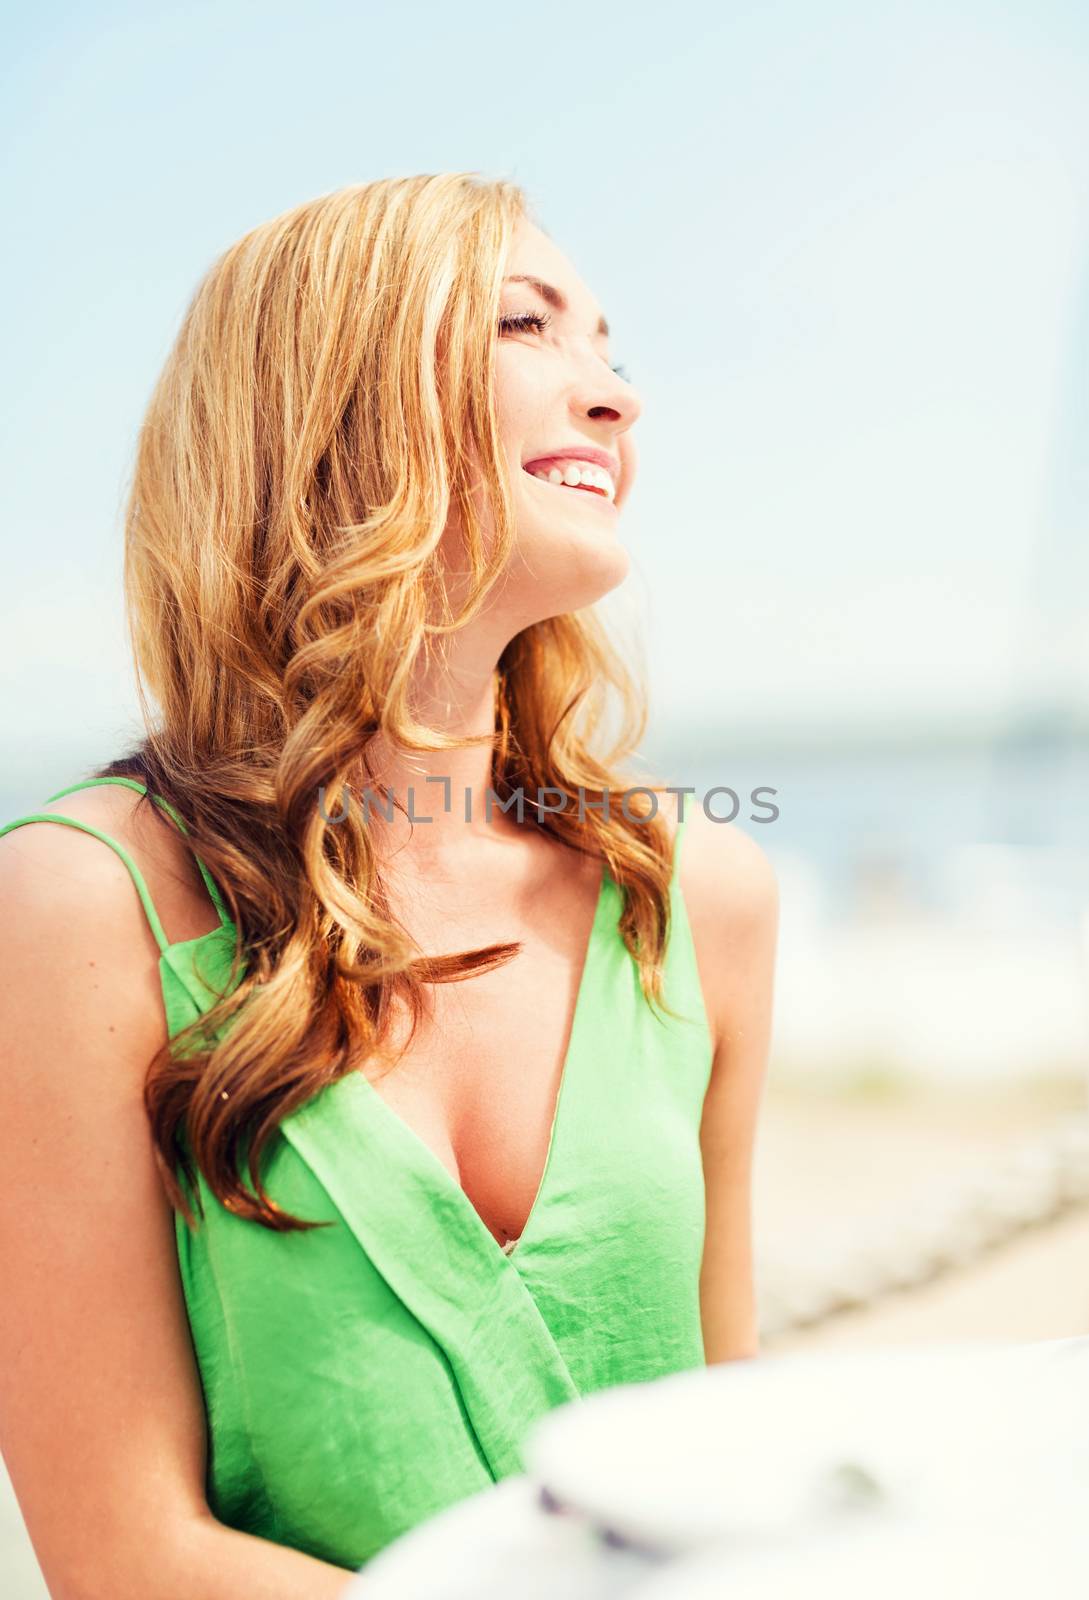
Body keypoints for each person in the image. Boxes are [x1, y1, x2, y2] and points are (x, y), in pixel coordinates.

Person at [0, 173, 779, 1594]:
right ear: (325, 398)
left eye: (609, 348)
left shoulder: (699, 896)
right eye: (521, 327)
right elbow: (120, 1553)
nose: (612, 397)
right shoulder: (79, 904)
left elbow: (720, 1451)